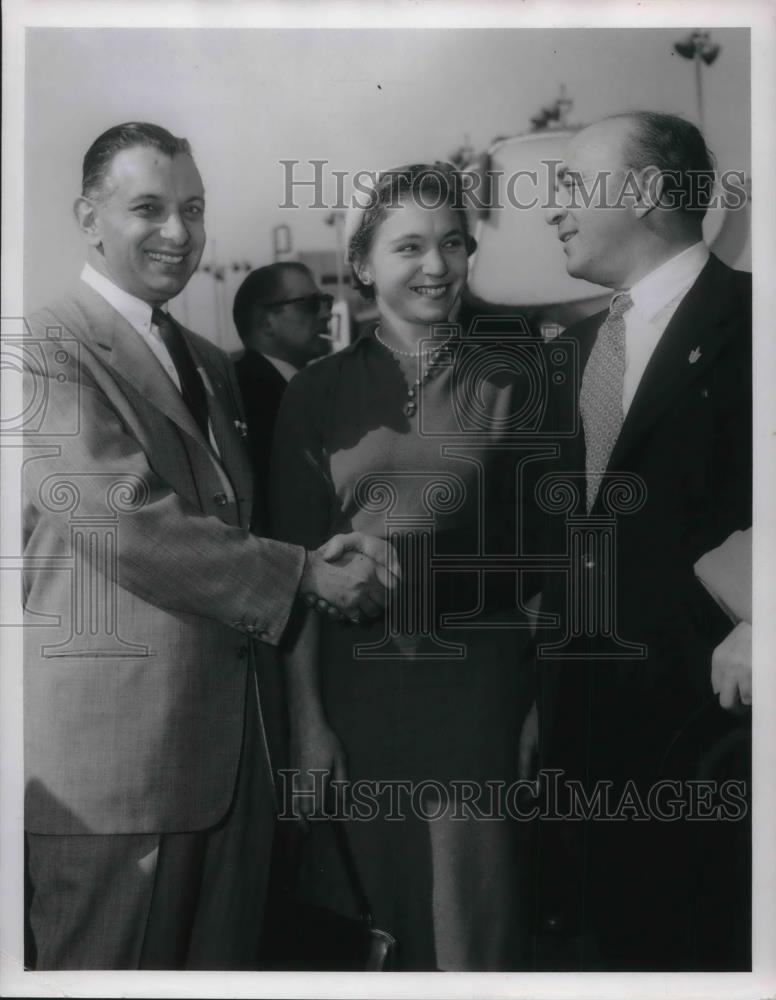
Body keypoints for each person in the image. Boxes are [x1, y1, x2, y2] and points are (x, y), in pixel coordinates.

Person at [22, 122, 397, 971]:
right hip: (116, 780)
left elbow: (228, 523)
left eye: (192, 208)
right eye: (147, 207)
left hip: (229, 765)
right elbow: (124, 520)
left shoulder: (203, 360)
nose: (178, 231)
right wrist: (302, 572)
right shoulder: (43, 346)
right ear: (88, 217)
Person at [269, 162, 538, 971]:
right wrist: (310, 727)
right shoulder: (313, 394)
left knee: (474, 936)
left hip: (482, 697)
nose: (436, 265)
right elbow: (292, 573)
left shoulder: (516, 379)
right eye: (410, 246)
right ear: (361, 264)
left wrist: (537, 708)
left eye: (453, 243)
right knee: (378, 933)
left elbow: (548, 565)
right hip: (359, 700)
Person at [531, 112, 751, 970]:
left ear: (650, 193)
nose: (551, 210)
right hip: (590, 742)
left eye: (572, 186)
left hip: (715, 734)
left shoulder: (754, 321)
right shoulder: (576, 350)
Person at [233, 263, 332, 519]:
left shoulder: (292, 388)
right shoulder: (249, 396)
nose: (325, 314)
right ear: (267, 322)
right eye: (310, 304)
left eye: (325, 302)